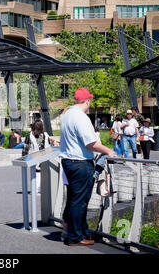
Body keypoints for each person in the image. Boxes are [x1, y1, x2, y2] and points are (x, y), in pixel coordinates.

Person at [59, 88, 115, 246]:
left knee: (75, 199)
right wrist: (109, 151)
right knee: (80, 201)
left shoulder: (67, 115)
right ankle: (75, 237)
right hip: (80, 163)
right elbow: (91, 143)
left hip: (69, 162)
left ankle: (80, 232)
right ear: (87, 101)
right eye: (90, 100)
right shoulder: (81, 118)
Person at [22, 120, 60, 194]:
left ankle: (41, 189)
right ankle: (36, 189)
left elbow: (48, 145)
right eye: (35, 129)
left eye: (38, 130)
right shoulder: (29, 135)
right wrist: (24, 158)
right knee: (36, 172)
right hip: (33, 156)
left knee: (44, 173)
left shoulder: (45, 135)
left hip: (44, 156)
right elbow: (26, 147)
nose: (36, 132)